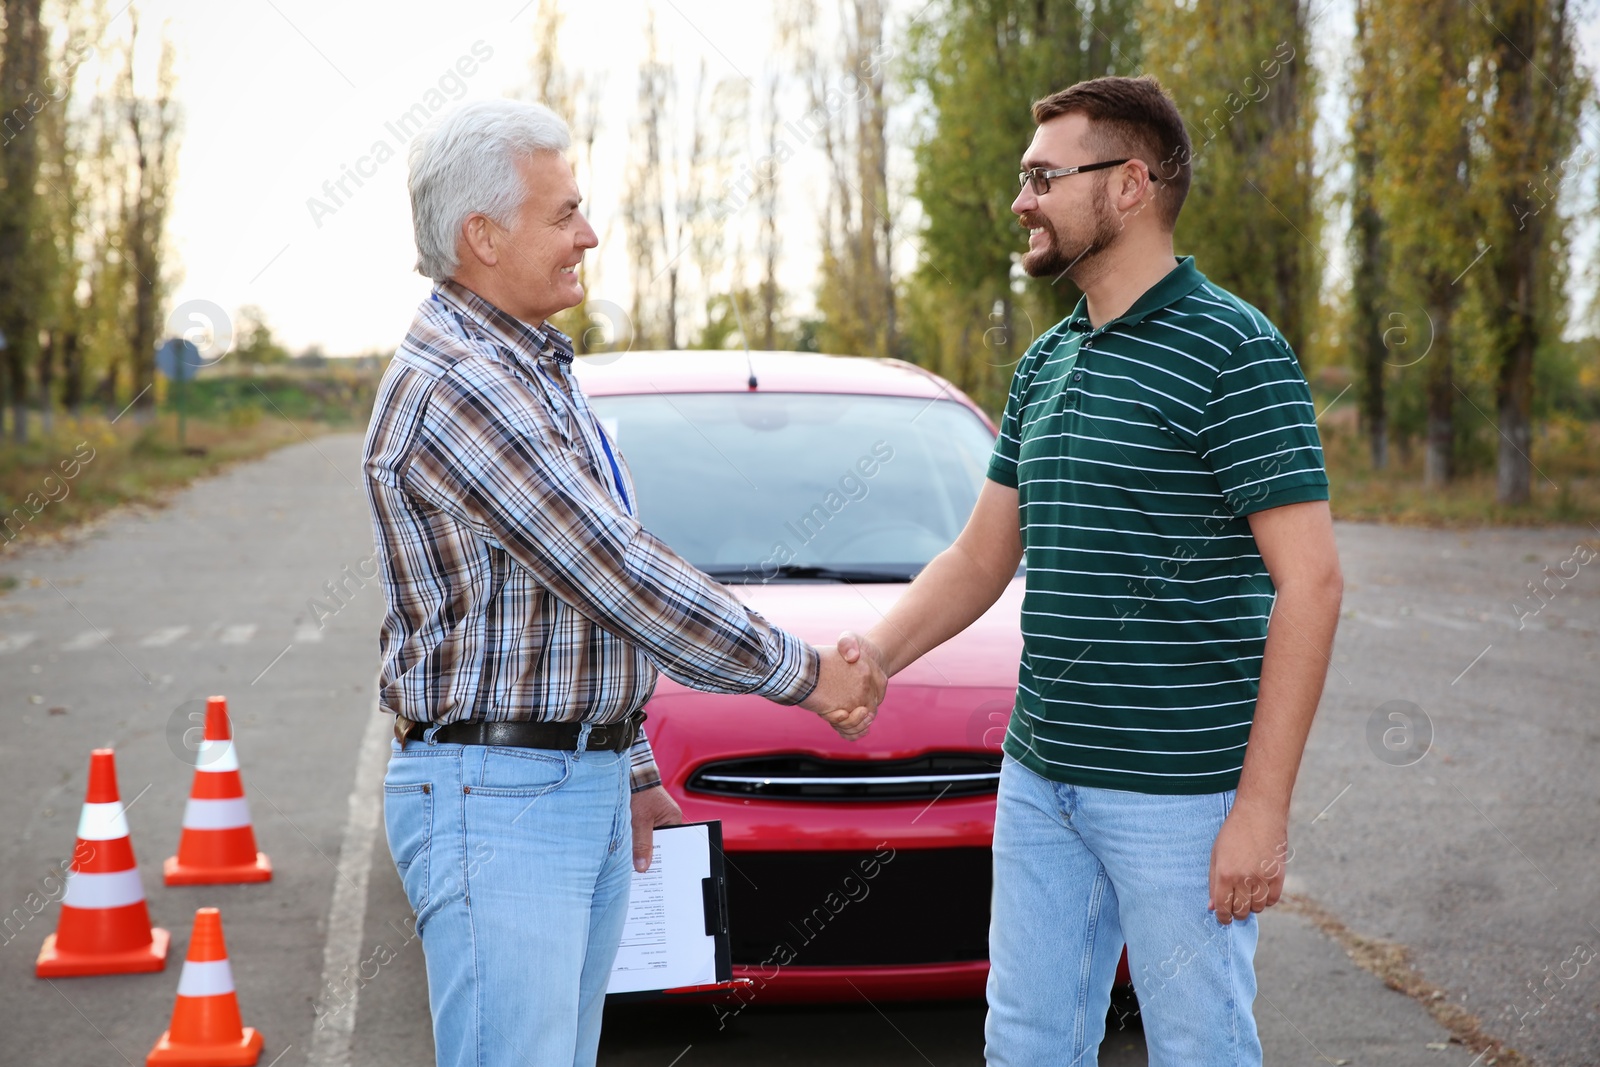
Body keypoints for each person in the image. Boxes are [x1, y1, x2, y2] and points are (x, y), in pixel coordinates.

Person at [361, 98, 884, 1067]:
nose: (588, 235)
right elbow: (615, 571)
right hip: (500, 796)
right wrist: (808, 675)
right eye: (563, 214)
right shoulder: (462, 381)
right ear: (479, 234)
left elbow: (568, 609)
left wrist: (631, 764)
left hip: (562, 778)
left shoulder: (529, 365)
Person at [838, 75, 1342, 1066]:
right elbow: (982, 554)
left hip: (1178, 796)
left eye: (1041, 176)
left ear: (1129, 185)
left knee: (1198, 1045)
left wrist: (1261, 808)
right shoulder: (1047, 361)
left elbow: (1312, 581)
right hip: (1040, 779)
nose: (1021, 200)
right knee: (1027, 1041)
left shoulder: (1232, 349)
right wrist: (870, 656)